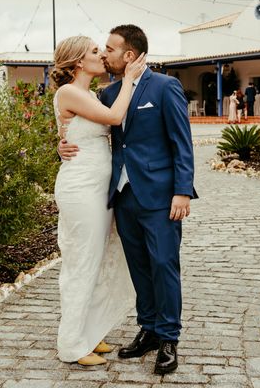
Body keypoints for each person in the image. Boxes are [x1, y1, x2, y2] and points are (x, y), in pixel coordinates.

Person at [59, 24, 197, 375]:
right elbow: (81, 128)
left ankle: (168, 338)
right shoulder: (107, 94)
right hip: (120, 196)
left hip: (160, 195)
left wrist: (182, 190)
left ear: (129, 55)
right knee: (137, 266)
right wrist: (60, 145)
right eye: (100, 49)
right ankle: (148, 328)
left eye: (110, 48)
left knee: (164, 265)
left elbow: (182, 142)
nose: (104, 54)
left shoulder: (165, 87)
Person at [51, 35, 146, 366]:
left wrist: (59, 144)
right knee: (82, 264)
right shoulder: (69, 92)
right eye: (95, 51)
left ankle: (89, 333)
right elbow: (115, 118)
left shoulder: (87, 94)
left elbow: (71, 134)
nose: (102, 56)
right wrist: (130, 79)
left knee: (99, 259)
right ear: (78, 62)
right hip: (81, 189)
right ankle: (72, 344)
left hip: (98, 187)